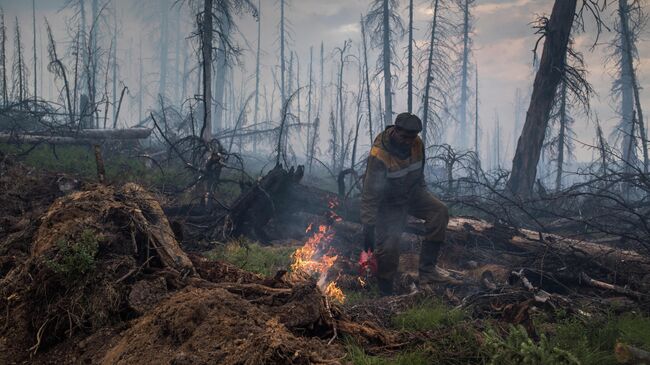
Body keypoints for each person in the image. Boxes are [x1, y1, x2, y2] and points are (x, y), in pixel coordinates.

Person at [361, 112, 456, 295]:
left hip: (412, 193)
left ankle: (428, 270)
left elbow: (418, 172)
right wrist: (368, 226)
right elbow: (369, 194)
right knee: (389, 247)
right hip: (388, 204)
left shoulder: (417, 143)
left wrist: (422, 191)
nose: (408, 142)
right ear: (395, 131)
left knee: (439, 211)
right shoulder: (379, 154)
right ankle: (385, 293)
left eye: (412, 137)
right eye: (405, 137)